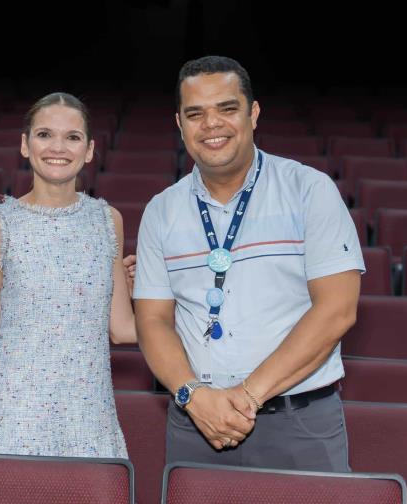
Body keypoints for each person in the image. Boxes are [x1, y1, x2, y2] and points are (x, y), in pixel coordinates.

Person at [133, 55, 363, 472]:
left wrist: (247, 397)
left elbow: (337, 310)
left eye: (227, 108)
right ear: (179, 124)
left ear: (253, 113)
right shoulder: (161, 211)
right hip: (194, 423)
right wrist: (193, 397)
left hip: (301, 424)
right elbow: (152, 321)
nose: (212, 125)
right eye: (195, 114)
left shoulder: (309, 190)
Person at [0, 92, 137, 458]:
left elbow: (122, 329)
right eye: (44, 134)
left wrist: (169, 296)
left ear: (89, 150)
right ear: (25, 145)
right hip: (13, 415)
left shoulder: (109, 221)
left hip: (88, 415)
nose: (58, 147)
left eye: (72, 137)